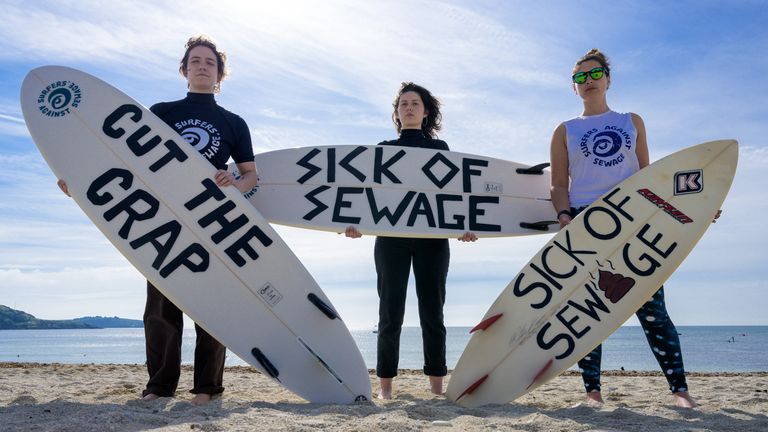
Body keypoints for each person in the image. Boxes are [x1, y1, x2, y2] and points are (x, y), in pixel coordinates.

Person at [58, 35, 258, 405]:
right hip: (161, 220)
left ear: (220, 75)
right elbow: (120, 157)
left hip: (211, 221)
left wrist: (235, 183)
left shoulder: (233, 123)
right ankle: (160, 386)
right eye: (195, 61)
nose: (202, 66)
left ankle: (207, 388)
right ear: (184, 70)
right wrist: (81, 180)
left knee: (214, 307)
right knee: (161, 308)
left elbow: (250, 176)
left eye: (209, 63)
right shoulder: (162, 112)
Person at [549, 48, 697, 409]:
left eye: (594, 74)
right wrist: (566, 217)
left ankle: (680, 391)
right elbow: (558, 185)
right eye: (580, 77)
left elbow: (649, 177)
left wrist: (694, 207)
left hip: (633, 218)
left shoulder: (632, 121)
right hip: (586, 220)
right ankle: (592, 391)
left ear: (608, 79)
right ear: (573, 87)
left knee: (652, 308)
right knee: (589, 307)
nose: (588, 81)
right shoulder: (565, 130)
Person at [345, 82, 476, 400]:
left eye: (415, 103)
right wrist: (354, 222)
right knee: (390, 312)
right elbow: (369, 192)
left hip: (433, 239)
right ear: (397, 112)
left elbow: (452, 193)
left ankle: (436, 389)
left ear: (426, 111)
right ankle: (386, 387)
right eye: (403, 103)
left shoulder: (439, 149)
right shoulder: (383, 148)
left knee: (433, 312)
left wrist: (465, 225)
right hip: (391, 239)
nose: (408, 107)